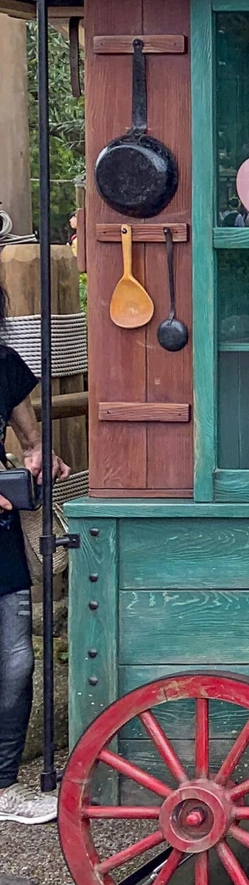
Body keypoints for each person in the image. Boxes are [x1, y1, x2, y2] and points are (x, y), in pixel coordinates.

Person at [0, 284, 69, 825]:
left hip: (1, 532)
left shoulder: (3, 363)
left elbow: (30, 435)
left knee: (16, 659)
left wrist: (39, 453)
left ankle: (3, 787)